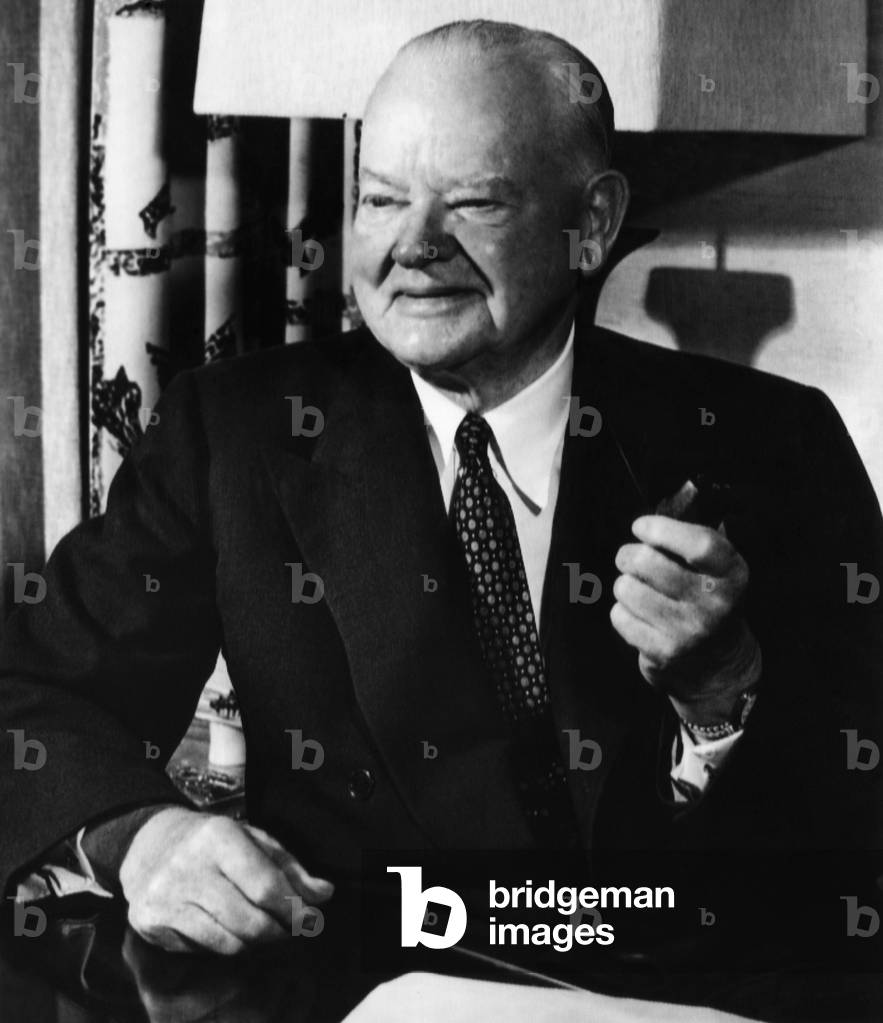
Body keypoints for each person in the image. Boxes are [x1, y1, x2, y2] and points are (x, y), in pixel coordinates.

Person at [1, 20, 881, 964]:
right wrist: (141, 837)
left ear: (590, 225)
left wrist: (722, 697)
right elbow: (34, 697)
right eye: (380, 199)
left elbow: (854, 813)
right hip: (361, 982)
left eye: (472, 203)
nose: (412, 246)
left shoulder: (769, 441)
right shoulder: (234, 433)